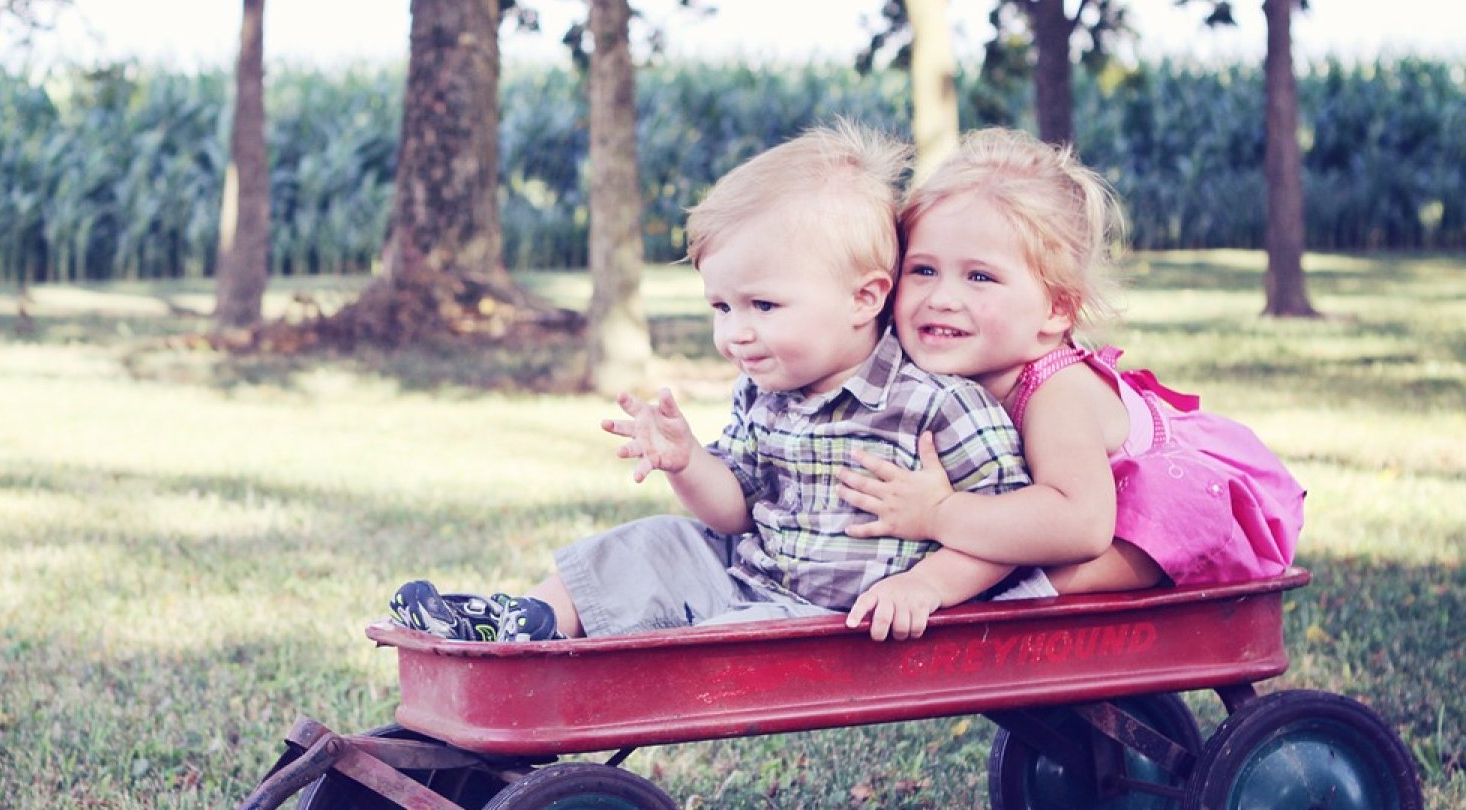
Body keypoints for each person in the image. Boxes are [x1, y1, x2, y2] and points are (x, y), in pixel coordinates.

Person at [389, 121, 1048, 645]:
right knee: (655, 540)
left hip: (837, 623)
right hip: (751, 580)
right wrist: (688, 463)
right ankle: (525, 621)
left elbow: (1008, 535)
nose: (735, 332)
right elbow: (733, 511)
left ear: (863, 297)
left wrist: (927, 585)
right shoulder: (764, 389)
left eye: (763, 307)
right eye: (721, 308)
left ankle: (582, 665)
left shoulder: (936, 404)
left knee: (713, 645)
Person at [839, 127, 1304, 603]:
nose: (941, 298)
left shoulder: (1056, 394)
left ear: (1056, 309)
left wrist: (939, 513)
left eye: (980, 276)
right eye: (923, 270)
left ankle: (1029, 594)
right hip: (1081, 511)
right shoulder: (945, 375)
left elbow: (1081, 525)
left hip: (1179, 514)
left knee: (1086, 538)